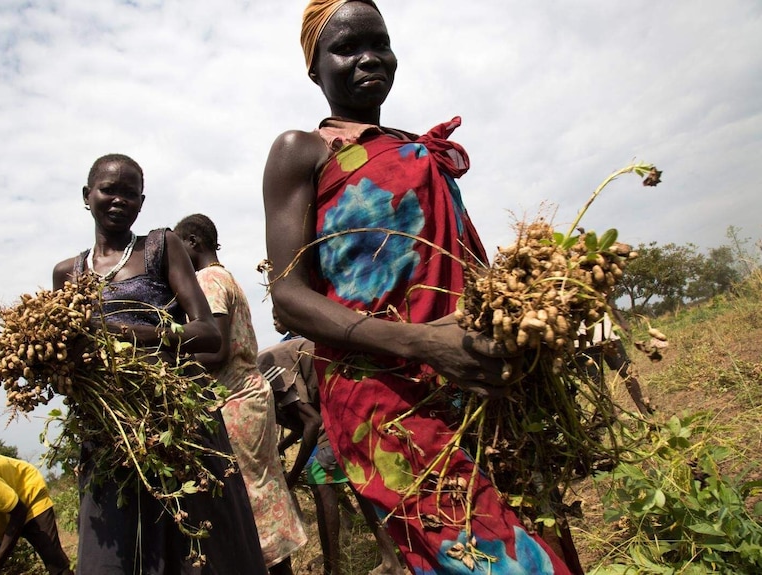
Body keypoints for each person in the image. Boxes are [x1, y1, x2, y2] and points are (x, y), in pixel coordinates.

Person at [261, 1, 574, 573]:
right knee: (502, 561)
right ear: (313, 69)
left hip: (473, 375)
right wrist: (420, 344)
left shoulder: (415, 145)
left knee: (538, 533)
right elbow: (287, 297)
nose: (367, 58)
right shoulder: (301, 151)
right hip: (386, 396)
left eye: (379, 42)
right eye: (346, 47)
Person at [52, 154, 266, 575]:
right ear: (86, 196)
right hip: (110, 431)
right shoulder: (67, 274)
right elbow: (66, 371)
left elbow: (208, 332)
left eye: (130, 192)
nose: (118, 199)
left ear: (142, 201)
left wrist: (131, 335)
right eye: (108, 189)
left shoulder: (160, 246)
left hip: (177, 418)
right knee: (115, 552)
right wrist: (64, 372)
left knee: (199, 545)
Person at [174, 213, 307, 575]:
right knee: (263, 490)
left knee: (250, 495)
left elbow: (215, 350)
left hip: (233, 400)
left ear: (193, 244)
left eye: (178, 248)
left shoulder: (208, 280)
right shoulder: (225, 277)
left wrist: (169, 364)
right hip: (247, 395)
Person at [258, 335, 406, 575]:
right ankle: (391, 561)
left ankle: (332, 571)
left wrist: (294, 476)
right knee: (357, 481)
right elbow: (302, 423)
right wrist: (281, 447)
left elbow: (312, 422)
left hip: (342, 397)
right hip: (339, 398)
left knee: (319, 479)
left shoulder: (264, 371)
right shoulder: (264, 375)